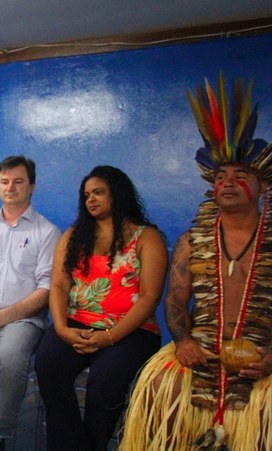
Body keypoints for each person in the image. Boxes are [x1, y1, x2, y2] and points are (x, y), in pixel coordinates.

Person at [121, 76, 272, 450]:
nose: (228, 182)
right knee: (158, 384)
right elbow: (174, 303)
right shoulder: (192, 242)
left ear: (263, 186)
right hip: (203, 351)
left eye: (241, 176)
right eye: (221, 176)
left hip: (262, 352)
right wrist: (183, 340)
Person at [34, 165, 168, 451]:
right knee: (48, 365)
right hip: (76, 324)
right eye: (86, 195)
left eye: (98, 192)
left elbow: (149, 297)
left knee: (104, 382)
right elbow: (58, 285)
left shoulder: (146, 238)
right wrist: (61, 328)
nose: (91, 200)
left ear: (118, 194)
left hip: (132, 331)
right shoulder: (74, 235)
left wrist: (110, 336)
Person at [0, 156, 60, 450]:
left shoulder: (47, 233)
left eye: (18, 181)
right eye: (5, 182)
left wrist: (1, 318)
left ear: (32, 186)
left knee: (10, 358)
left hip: (22, 320)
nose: (10, 188)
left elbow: (46, 290)